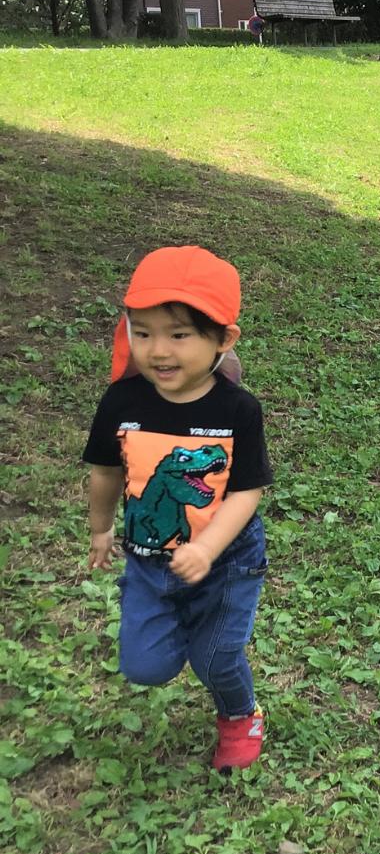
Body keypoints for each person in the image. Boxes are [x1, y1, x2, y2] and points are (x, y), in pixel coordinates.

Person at [83, 246, 273, 771]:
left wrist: (209, 547)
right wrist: (101, 530)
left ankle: (240, 716)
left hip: (227, 562)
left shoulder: (237, 409)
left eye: (178, 334)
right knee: (144, 667)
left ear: (222, 339)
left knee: (214, 658)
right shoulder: (121, 402)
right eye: (142, 333)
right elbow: (106, 472)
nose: (158, 350)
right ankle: (188, 626)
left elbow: (246, 490)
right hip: (148, 559)